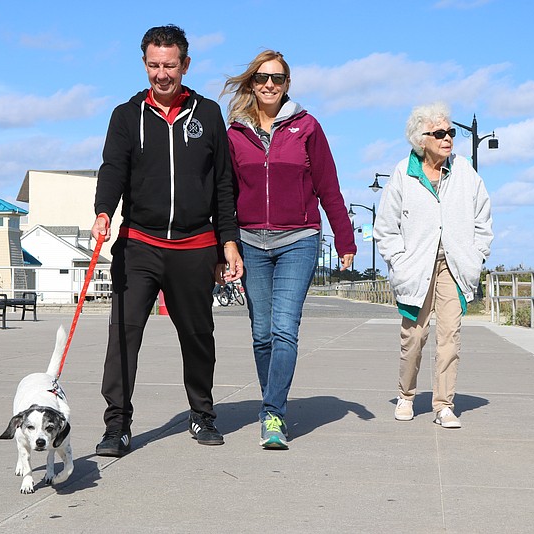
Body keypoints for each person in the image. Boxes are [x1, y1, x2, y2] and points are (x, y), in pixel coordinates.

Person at [91, 25, 243, 457]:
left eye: (170, 65)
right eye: (154, 65)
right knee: (124, 334)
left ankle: (202, 414)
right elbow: (112, 170)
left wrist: (227, 243)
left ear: (186, 65)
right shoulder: (126, 115)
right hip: (139, 243)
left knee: (198, 335)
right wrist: (103, 211)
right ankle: (117, 426)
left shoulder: (208, 114)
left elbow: (224, 187)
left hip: (196, 246)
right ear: (145, 65)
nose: (162, 74)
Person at [222, 50, 356, 449]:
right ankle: (273, 403)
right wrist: (222, 245)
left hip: (298, 238)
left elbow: (329, 186)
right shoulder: (234, 133)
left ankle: (273, 414)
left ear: (287, 85)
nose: (269, 85)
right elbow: (224, 194)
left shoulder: (307, 127)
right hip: (249, 240)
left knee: (284, 329)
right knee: (261, 332)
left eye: (277, 79)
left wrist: (345, 239)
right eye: (262, 78)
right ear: (252, 82)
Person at [373, 102, 493, 429]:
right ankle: (406, 395)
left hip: (453, 267)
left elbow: (483, 217)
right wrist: (398, 262)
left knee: (450, 336)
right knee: (414, 336)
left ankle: (443, 405)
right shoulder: (403, 172)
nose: (448, 138)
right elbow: (385, 227)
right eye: (439, 133)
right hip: (416, 268)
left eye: (451, 132)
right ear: (420, 139)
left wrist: (477, 252)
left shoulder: (464, 171)